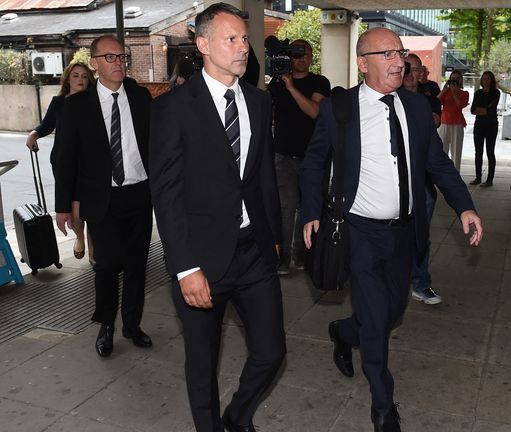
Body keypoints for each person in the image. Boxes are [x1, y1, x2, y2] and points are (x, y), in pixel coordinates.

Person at [301, 27, 483, 432]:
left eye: (400, 53)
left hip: (405, 232)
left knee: (391, 312)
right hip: (359, 231)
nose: (398, 61)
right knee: (377, 318)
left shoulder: (417, 108)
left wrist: (464, 206)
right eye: (387, 55)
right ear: (363, 64)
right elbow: (314, 162)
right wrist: (311, 211)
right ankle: (383, 403)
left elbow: (437, 164)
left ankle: (342, 331)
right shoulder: (340, 108)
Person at [149, 4, 285, 432]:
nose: (243, 47)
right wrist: (185, 267)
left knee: (271, 351)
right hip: (200, 257)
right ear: (203, 44)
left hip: (253, 252)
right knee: (202, 363)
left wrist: (274, 236)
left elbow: (263, 177)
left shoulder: (259, 102)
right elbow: (166, 193)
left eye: (245, 38)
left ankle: (237, 417)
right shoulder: (173, 108)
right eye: (232, 39)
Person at [55, 35, 153, 358]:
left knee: (138, 264)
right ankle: (106, 324)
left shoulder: (140, 98)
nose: (118, 62)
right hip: (102, 199)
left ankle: (132, 324)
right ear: (95, 63)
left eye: (121, 56)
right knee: (107, 264)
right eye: (109, 58)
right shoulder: (76, 106)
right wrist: (62, 207)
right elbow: (65, 158)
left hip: (138, 193)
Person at [267, 38, 330, 275]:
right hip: (283, 156)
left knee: (308, 209)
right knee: (285, 208)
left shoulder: (319, 82)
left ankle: (301, 254)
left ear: (312, 57)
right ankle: (281, 258)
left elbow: (315, 112)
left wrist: (291, 87)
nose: (301, 58)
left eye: (305, 54)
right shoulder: (276, 83)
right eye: (296, 54)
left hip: (312, 158)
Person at [26, 62, 95, 262]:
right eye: (75, 76)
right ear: (67, 79)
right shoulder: (59, 102)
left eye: (84, 76)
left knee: (92, 207)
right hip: (65, 164)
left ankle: (93, 246)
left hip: (90, 163)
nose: (80, 80)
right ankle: (79, 237)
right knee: (75, 209)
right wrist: (34, 134)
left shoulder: (95, 102)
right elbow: (46, 125)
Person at [402, 53, 442, 305]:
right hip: (396, 179)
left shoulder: (428, 100)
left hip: (423, 179)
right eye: (408, 68)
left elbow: (434, 121)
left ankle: (420, 283)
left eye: (416, 69)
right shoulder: (389, 98)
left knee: (421, 234)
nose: (412, 73)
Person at [469, 71, 501, 187]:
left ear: (491, 80)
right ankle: (478, 178)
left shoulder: (496, 93)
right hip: (479, 125)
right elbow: (473, 110)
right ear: (481, 80)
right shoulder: (478, 93)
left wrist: (483, 110)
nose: (486, 80)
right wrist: (485, 110)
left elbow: (491, 110)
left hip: (491, 125)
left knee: (490, 152)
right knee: (478, 152)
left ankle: (489, 180)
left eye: (488, 78)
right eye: (484, 78)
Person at [438, 69, 470, 172]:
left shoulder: (464, 93)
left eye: (456, 79)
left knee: (456, 151)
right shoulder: (446, 92)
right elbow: (436, 100)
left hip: (457, 123)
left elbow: (460, 105)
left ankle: (456, 174)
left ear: (460, 80)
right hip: (444, 122)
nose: (454, 81)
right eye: (452, 78)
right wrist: (444, 90)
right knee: (442, 151)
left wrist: (454, 92)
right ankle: (443, 174)